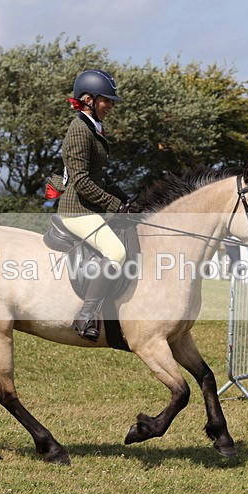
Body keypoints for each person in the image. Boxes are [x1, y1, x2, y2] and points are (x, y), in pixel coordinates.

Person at [57, 69, 138, 342]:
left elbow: (101, 178)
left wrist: (126, 199)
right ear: (88, 99)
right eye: (107, 100)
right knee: (115, 252)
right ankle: (86, 314)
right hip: (76, 210)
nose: (111, 105)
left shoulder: (93, 128)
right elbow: (80, 181)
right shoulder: (79, 130)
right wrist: (115, 205)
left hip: (91, 208)